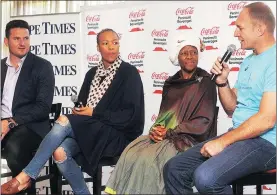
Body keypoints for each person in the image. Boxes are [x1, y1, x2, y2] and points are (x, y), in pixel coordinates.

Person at [1, 28, 145, 195]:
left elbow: (131, 116)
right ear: (98, 47)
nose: (111, 47)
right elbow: (84, 107)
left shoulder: (129, 73)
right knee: (59, 152)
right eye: (105, 43)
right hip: (91, 132)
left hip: (115, 135)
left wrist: (94, 113)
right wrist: (81, 110)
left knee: (63, 120)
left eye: (115, 43)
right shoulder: (92, 74)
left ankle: (26, 175)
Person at [164, 2, 276, 195]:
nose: (235, 33)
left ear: (260, 29)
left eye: (240, 27)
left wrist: (223, 142)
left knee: (206, 177)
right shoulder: (248, 61)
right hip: (241, 136)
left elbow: (267, 119)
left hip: (267, 143)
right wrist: (222, 83)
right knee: (174, 169)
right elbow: (232, 108)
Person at [104, 34, 217, 194]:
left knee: (151, 159)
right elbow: (164, 115)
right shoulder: (170, 83)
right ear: (178, 57)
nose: (190, 57)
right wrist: (156, 130)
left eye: (194, 52)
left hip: (190, 138)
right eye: (185, 53)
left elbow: (204, 120)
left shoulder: (206, 81)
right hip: (168, 135)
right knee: (131, 152)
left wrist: (171, 132)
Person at [1, 19, 55, 191]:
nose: (22, 43)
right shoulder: (1, 68)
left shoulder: (42, 67)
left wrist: (10, 122)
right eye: (17, 39)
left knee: (15, 151)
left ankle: (24, 189)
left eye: (26, 38)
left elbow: (43, 107)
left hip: (30, 127)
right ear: (6, 41)